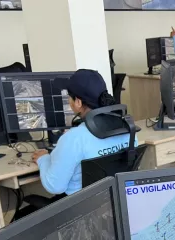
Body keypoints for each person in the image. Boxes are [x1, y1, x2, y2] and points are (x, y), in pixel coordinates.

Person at [20, 70, 134, 216]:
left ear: (78, 102)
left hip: (80, 211)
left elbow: (55, 186)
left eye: (69, 97)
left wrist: (43, 158)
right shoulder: (126, 128)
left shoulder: (74, 138)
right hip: (113, 205)